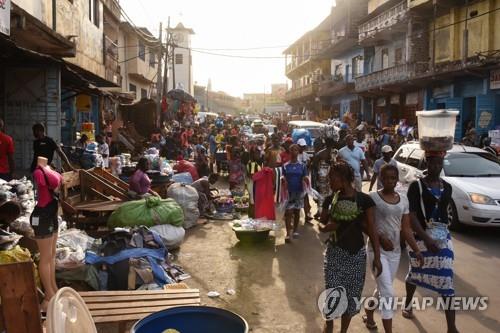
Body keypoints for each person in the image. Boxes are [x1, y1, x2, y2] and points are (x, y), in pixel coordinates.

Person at [319, 161, 382, 333]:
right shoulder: (329, 200)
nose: (329, 182)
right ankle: (329, 326)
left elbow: (372, 230)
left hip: (356, 256)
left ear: (343, 179)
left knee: (351, 297)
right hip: (334, 255)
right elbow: (321, 224)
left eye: (332, 178)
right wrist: (326, 227)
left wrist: (377, 256)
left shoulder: (364, 200)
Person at [403, 151, 459, 333]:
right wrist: (426, 239)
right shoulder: (416, 186)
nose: (436, 167)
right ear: (427, 162)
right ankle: (408, 303)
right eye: (433, 163)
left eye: (440, 163)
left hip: (443, 238)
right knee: (415, 272)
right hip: (420, 237)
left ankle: (452, 328)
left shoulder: (447, 187)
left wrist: (438, 235)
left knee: (446, 279)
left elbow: (443, 212)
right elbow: (411, 216)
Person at [363, 164, 424, 332]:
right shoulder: (372, 197)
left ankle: (368, 312)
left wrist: (416, 250)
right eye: (386, 178)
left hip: (395, 253)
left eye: (393, 178)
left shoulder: (403, 199)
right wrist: (381, 239)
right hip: (376, 251)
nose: (389, 181)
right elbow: (365, 224)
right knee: (388, 294)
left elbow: (406, 228)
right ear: (381, 179)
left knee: (384, 288)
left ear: (397, 179)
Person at [31, 156, 62, 312]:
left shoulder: (48, 168)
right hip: (42, 215)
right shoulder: (38, 171)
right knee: (45, 256)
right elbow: (50, 184)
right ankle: (49, 294)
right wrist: (45, 168)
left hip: (51, 213)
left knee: (52, 254)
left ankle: (53, 288)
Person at [282, 144, 308, 243]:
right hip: (288, 192)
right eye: (292, 150)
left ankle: (296, 230)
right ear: (290, 152)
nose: (294, 152)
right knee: (288, 212)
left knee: (297, 212)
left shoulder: (302, 165)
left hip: (299, 191)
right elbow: (282, 176)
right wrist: (283, 179)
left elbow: (305, 176)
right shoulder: (285, 165)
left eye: (296, 150)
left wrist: (305, 179)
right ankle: (288, 233)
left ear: (298, 152)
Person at [311, 137, 336, 218]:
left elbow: (314, 166)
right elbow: (314, 166)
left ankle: (325, 212)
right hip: (323, 177)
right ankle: (322, 213)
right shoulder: (320, 153)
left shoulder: (334, 152)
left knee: (328, 195)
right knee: (323, 195)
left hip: (331, 177)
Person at [297, 138, 312, 222]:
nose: (302, 148)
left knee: (305, 196)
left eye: (304, 146)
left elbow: (309, 164)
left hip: (304, 179)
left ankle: (307, 214)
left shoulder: (305, 155)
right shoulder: (295, 155)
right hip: (296, 180)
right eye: (301, 146)